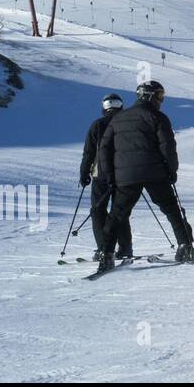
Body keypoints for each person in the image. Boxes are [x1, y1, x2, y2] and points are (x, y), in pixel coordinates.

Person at [96, 80, 194, 273]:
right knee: (172, 211)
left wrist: (110, 176)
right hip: (155, 174)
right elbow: (168, 147)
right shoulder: (157, 117)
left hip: (125, 177)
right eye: (159, 96)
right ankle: (186, 247)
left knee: (117, 216)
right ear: (149, 96)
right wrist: (171, 171)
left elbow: (105, 150)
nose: (161, 100)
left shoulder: (118, 119)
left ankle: (107, 255)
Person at [79, 93, 131, 261]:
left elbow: (89, 152)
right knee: (120, 212)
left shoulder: (97, 125)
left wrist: (84, 173)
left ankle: (103, 249)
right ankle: (125, 248)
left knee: (98, 211)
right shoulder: (127, 124)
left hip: (100, 175)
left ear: (104, 107)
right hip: (124, 175)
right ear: (121, 106)